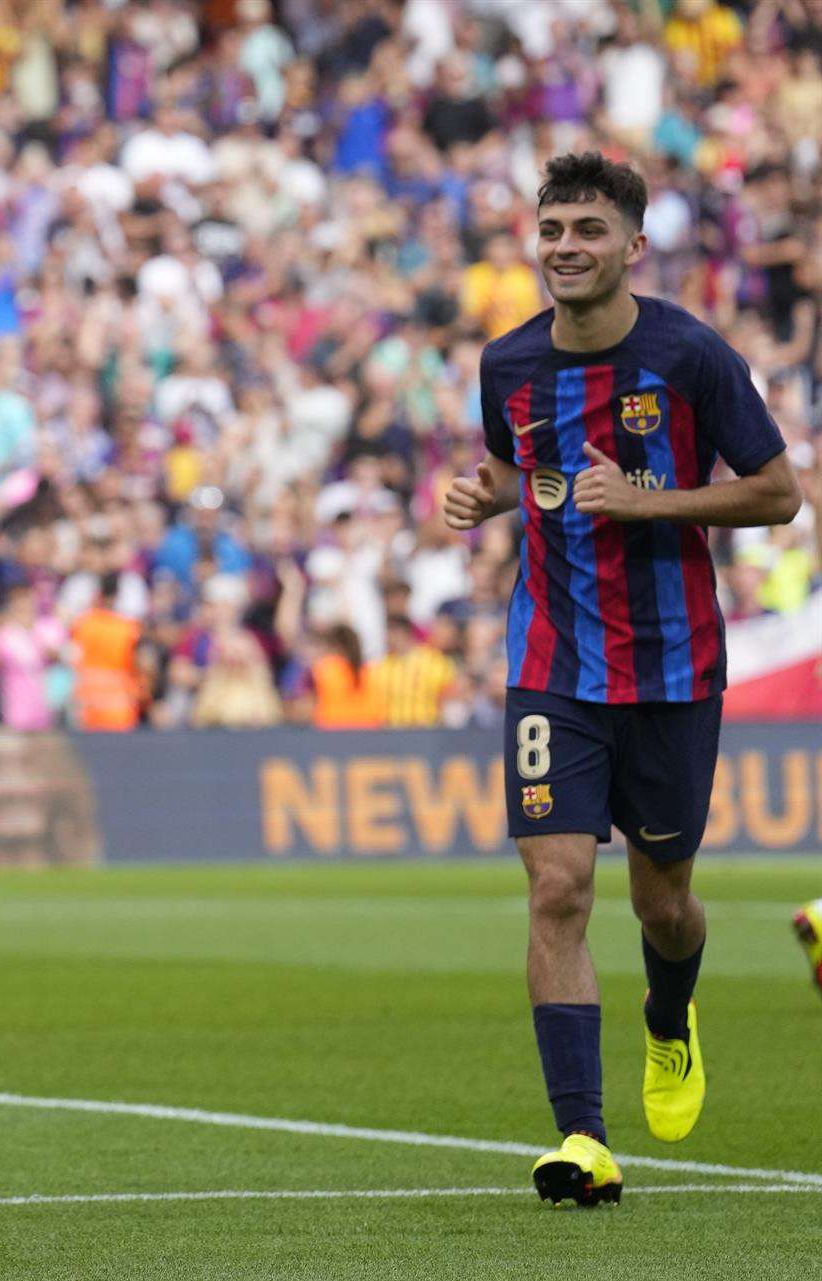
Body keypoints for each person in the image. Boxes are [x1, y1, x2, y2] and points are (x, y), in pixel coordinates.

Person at [443, 152, 801, 1207]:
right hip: (553, 661)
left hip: (676, 666)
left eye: (588, 230)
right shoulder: (508, 365)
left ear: (633, 246)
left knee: (667, 906)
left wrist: (646, 503)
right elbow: (524, 463)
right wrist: (489, 496)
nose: (565, 247)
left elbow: (777, 492)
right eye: (552, 229)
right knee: (558, 888)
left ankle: (669, 1014)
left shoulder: (691, 356)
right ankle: (583, 1139)